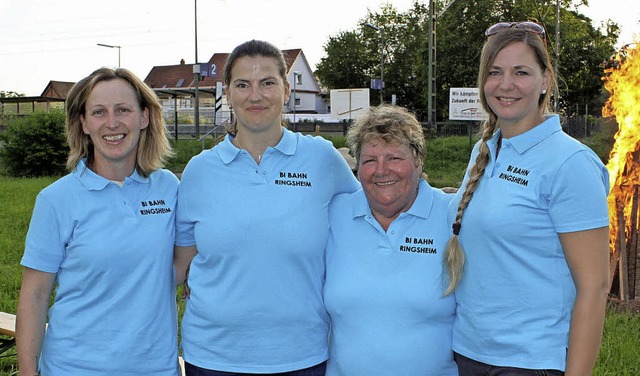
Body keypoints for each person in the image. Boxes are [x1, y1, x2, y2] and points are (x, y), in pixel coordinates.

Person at [173, 39, 360, 375]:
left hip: (302, 355)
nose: (255, 96)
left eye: (268, 83)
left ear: (286, 90)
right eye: (243, 85)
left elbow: (370, 220)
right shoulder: (199, 172)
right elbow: (181, 265)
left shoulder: (322, 160)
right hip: (214, 358)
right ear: (227, 94)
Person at [444, 22, 610, 375]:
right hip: (469, 353)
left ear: (545, 79)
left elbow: (594, 288)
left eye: (521, 72)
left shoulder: (570, 164)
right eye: (495, 72)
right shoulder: (483, 151)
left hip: (530, 362)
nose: (506, 85)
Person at [15, 67, 180, 376]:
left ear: (144, 117)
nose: (112, 123)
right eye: (99, 112)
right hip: (74, 367)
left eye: (123, 110)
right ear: (84, 124)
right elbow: (35, 296)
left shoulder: (168, 188)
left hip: (156, 368)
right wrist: (27, 372)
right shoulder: (56, 200)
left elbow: (186, 261)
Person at [323, 105, 458, 375]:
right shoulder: (333, 214)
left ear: (419, 159)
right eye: (370, 160)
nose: (381, 170)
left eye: (394, 158)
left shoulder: (452, 216)